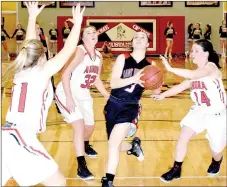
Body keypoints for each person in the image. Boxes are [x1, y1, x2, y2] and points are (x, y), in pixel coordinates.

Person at [2, 2, 85, 186]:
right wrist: (78, 23)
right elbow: (68, 50)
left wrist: (32, 17)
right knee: (58, 182)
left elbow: (29, 44)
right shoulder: (42, 72)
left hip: (9, 134)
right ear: (42, 56)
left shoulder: (22, 70)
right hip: (19, 135)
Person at [151, 39, 226, 183]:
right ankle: (176, 169)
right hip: (199, 110)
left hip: (216, 115)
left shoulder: (211, 68)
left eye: (196, 51)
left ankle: (217, 160)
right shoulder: (196, 72)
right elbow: (181, 86)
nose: (193, 53)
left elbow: (194, 76)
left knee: (216, 150)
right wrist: (162, 95)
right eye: (192, 50)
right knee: (183, 136)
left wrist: (171, 69)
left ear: (206, 54)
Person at [101, 31, 161, 187]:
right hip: (113, 104)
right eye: (136, 37)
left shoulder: (151, 65)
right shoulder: (123, 58)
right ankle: (133, 146)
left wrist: (156, 87)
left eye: (143, 37)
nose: (139, 39)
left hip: (130, 106)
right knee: (115, 144)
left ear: (148, 44)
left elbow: (156, 89)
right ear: (132, 43)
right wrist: (134, 78)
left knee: (113, 145)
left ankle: (108, 181)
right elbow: (113, 84)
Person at [55, 25, 110, 180]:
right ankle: (81, 166)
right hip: (66, 92)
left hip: (84, 94)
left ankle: (85, 145)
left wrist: (107, 95)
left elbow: (97, 78)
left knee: (90, 126)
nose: (92, 34)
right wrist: (69, 97)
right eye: (88, 32)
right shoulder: (80, 51)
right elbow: (65, 74)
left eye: (94, 32)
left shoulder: (99, 56)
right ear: (83, 37)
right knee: (79, 126)